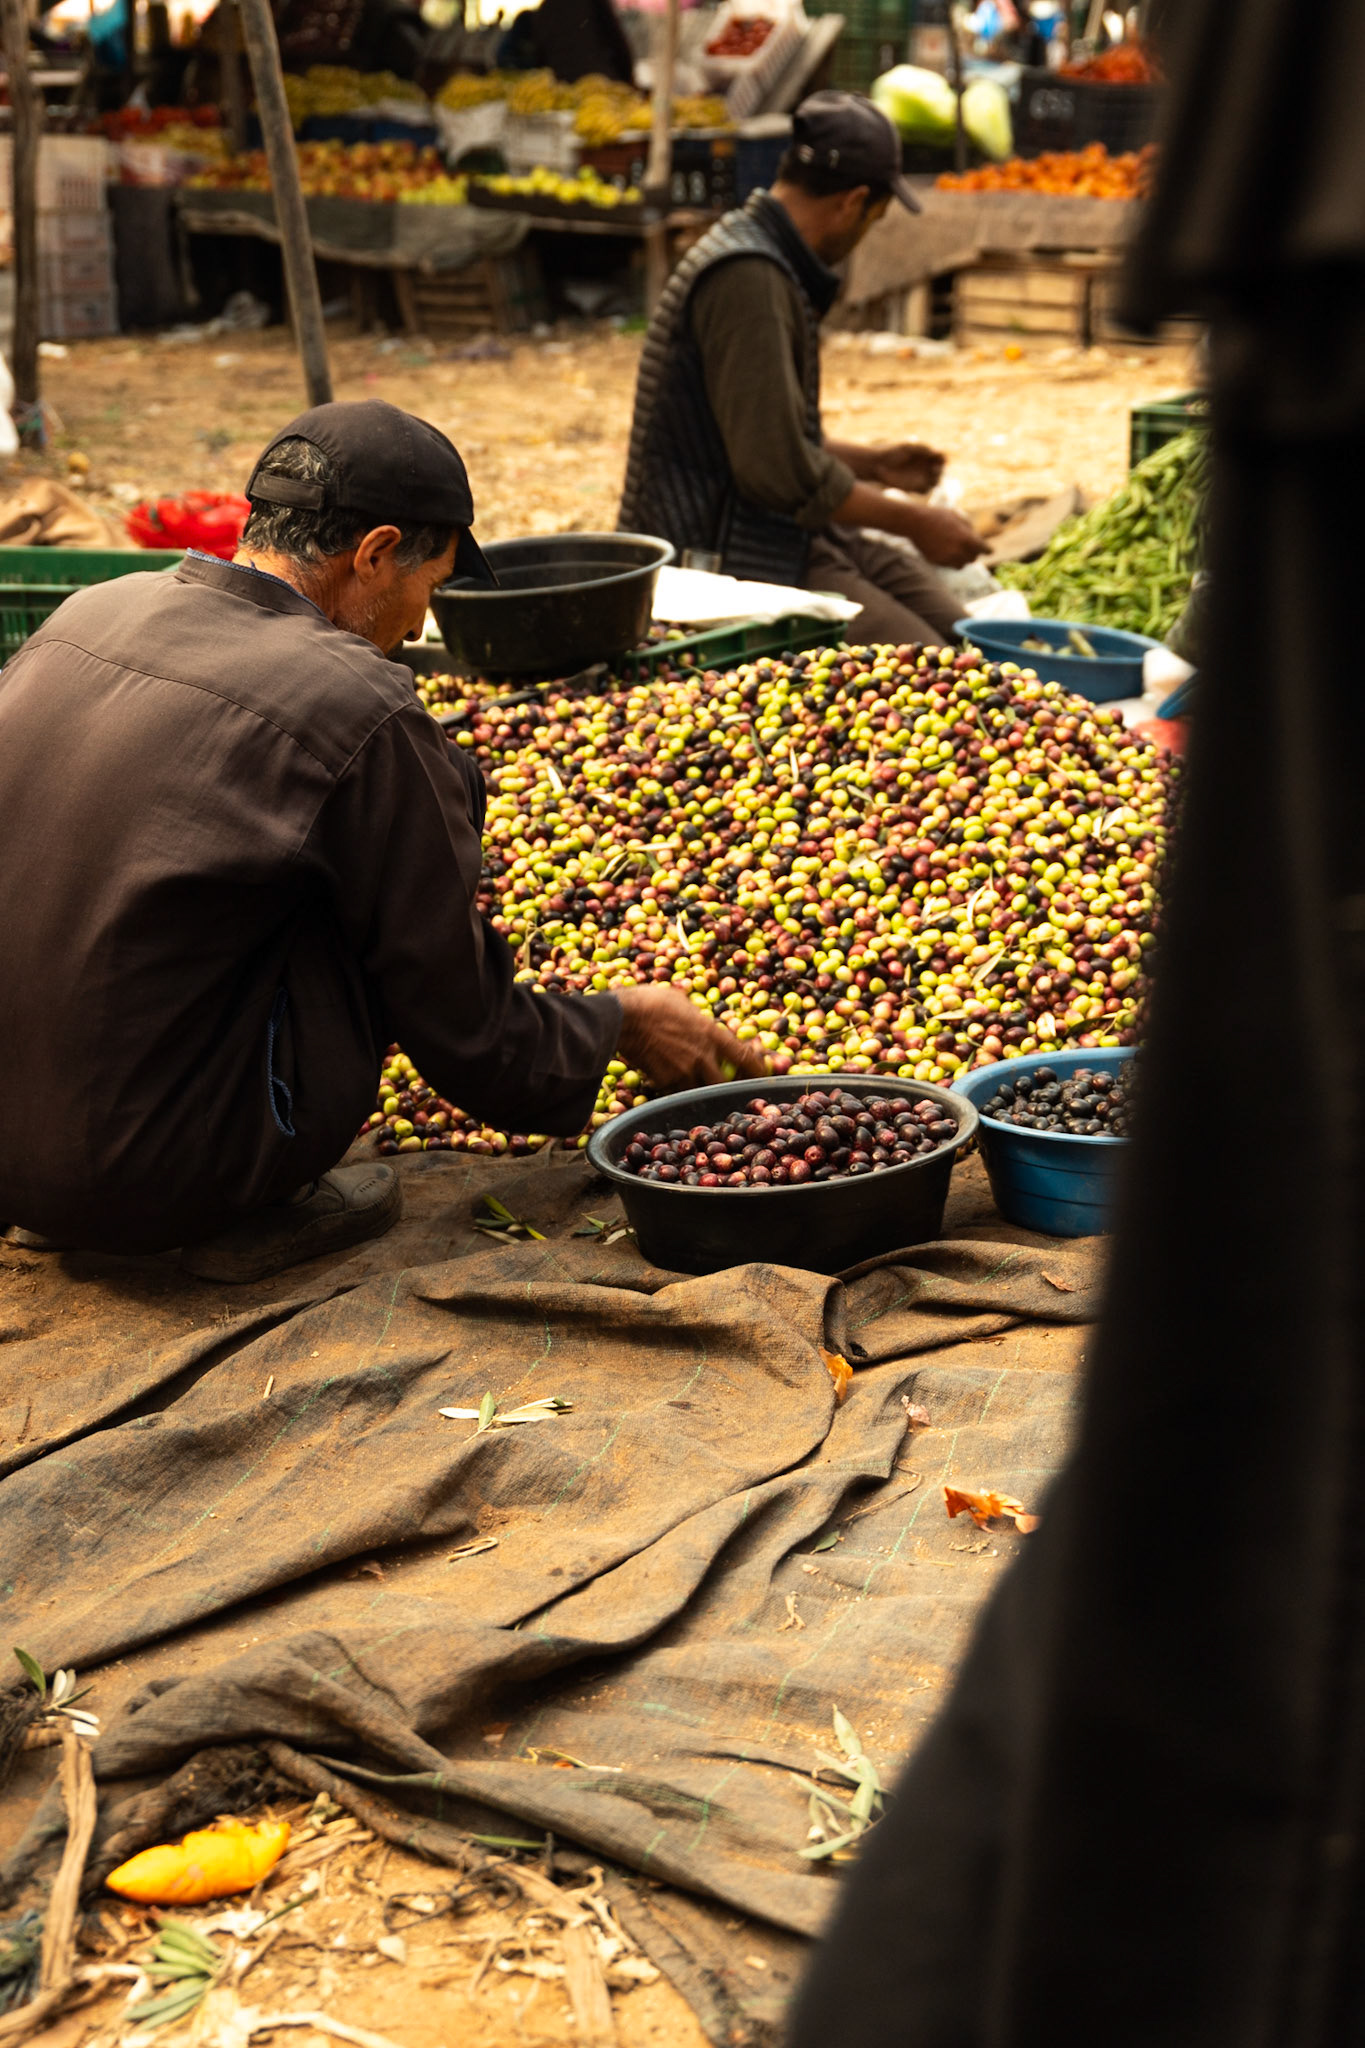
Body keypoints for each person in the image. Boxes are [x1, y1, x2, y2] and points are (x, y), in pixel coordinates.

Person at [0, 400, 760, 1282]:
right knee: (373, 900)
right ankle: (244, 1202)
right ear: (373, 553)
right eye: (429, 585)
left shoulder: (87, 613)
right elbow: (467, 1035)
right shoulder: (360, 707)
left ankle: (51, 1175)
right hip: (160, 1178)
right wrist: (617, 1023)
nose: (421, 626)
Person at [619, 89, 986, 647]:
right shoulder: (749, 276)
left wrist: (873, 464)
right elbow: (776, 472)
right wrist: (914, 522)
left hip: (779, 532)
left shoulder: (764, 256)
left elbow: (761, 434)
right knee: (935, 663)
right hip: (722, 557)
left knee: (969, 637)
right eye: (874, 218)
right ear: (852, 202)